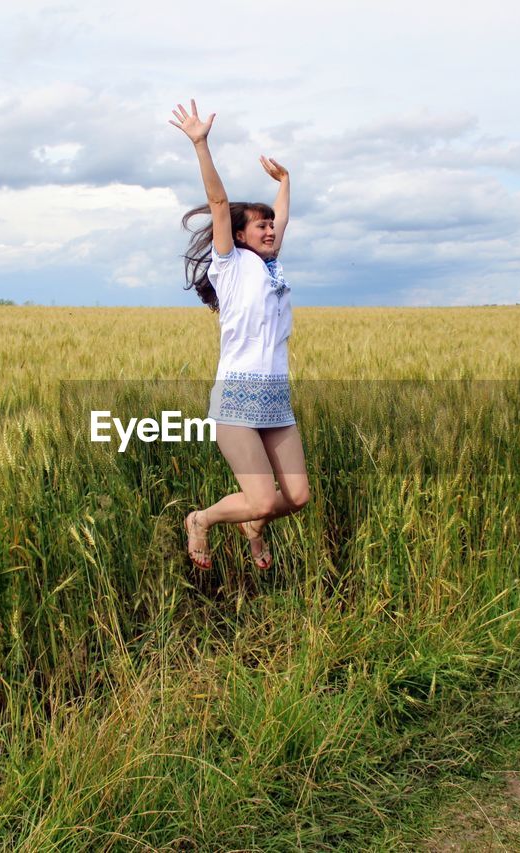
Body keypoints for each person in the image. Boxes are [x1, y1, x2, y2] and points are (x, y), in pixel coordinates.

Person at [168, 99, 310, 570]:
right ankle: (201, 520)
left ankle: (252, 525)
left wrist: (286, 182)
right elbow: (218, 203)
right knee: (264, 500)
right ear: (241, 235)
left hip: (275, 396)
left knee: (297, 497)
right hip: (237, 398)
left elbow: (284, 219)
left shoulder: (272, 269)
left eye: (272, 223)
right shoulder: (230, 264)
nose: (271, 228)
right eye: (262, 224)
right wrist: (200, 143)